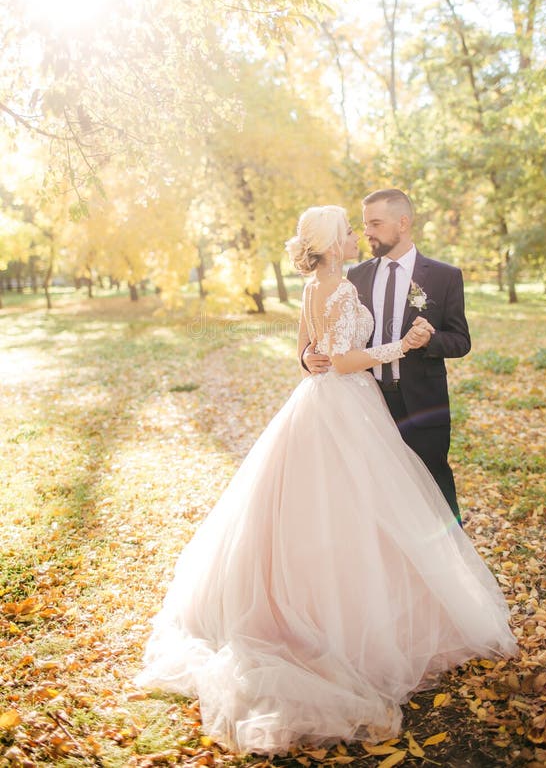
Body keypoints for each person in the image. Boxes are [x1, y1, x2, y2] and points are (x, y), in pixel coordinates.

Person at [135, 205, 517, 756]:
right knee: (355, 504)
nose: (357, 236)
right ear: (332, 243)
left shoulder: (322, 283)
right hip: (348, 402)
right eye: (348, 230)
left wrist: (318, 356)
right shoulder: (341, 284)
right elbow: (335, 359)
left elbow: (308, 348)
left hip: (340, 404)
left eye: (366, 226)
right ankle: (365, 610)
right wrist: (397, 346)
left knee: (377, 503)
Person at [304, 189, 469, 523]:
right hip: (366, 405)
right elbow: (327, 334)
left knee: (435, 489)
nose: (367, 232)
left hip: (423, 402)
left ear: (403, 223)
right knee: (376, 500)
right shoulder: (355, 275)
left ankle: (453, 566)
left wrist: (429, 340)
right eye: (364, 225)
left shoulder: (443, 276)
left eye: (375, 224)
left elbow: (461, 340)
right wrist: (308, 356)